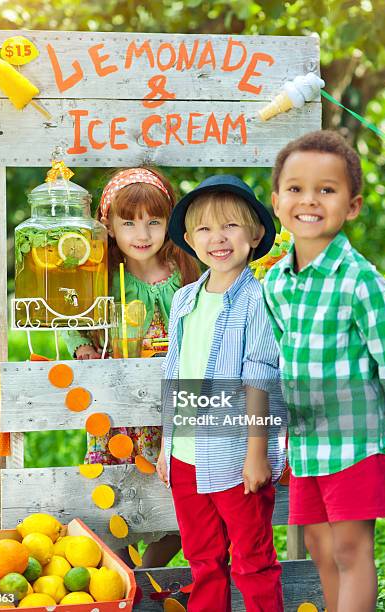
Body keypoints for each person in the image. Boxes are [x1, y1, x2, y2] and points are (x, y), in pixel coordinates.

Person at [263, 130, 385, 612]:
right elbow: (283, 358)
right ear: (277, 201)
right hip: (308, 444)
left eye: (326, 189)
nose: (309, 200)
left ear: (352, 205)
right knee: (321, 549)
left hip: (356, 439)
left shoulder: (360, 280)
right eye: (296, 188)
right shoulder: (278, 284)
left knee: (351, 549)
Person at [157, 175, 287, 611]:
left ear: (255, 236)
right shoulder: (185, 300)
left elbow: (260, 377)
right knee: (202, 560)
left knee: (252, 560)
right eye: (206, 229)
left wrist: (257, 454)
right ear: (190, 240)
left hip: (236, 456)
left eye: (231, 226)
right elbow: (176, 371)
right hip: (187, 458)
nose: (219, 238)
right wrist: (167, 444)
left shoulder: (259, 300)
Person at [63, 167, 200, 567]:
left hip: (168, 413)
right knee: (113, 498)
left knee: (176, 503)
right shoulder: (101, 278)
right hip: (117, 413)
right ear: (109, 225)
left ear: (169, 223)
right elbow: (75, 321)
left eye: (154, 222)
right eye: (129, 223)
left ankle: (142, 576)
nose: (142, 235)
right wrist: (83, 348)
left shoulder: (184, 275)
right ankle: (124, 572)